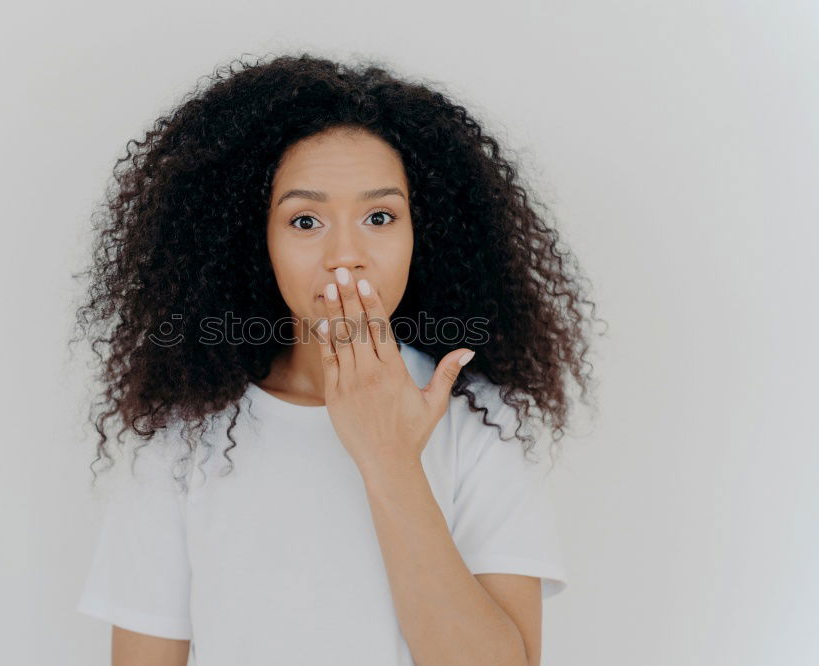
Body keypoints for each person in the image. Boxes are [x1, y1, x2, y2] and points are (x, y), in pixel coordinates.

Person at [71, 52, 603, 666]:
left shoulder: (481, 417)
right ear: (255, 242)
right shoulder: (183, 434)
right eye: (305, 220)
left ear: (420, 235)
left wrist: (389, 460)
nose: (345, 255)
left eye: (380, 216)